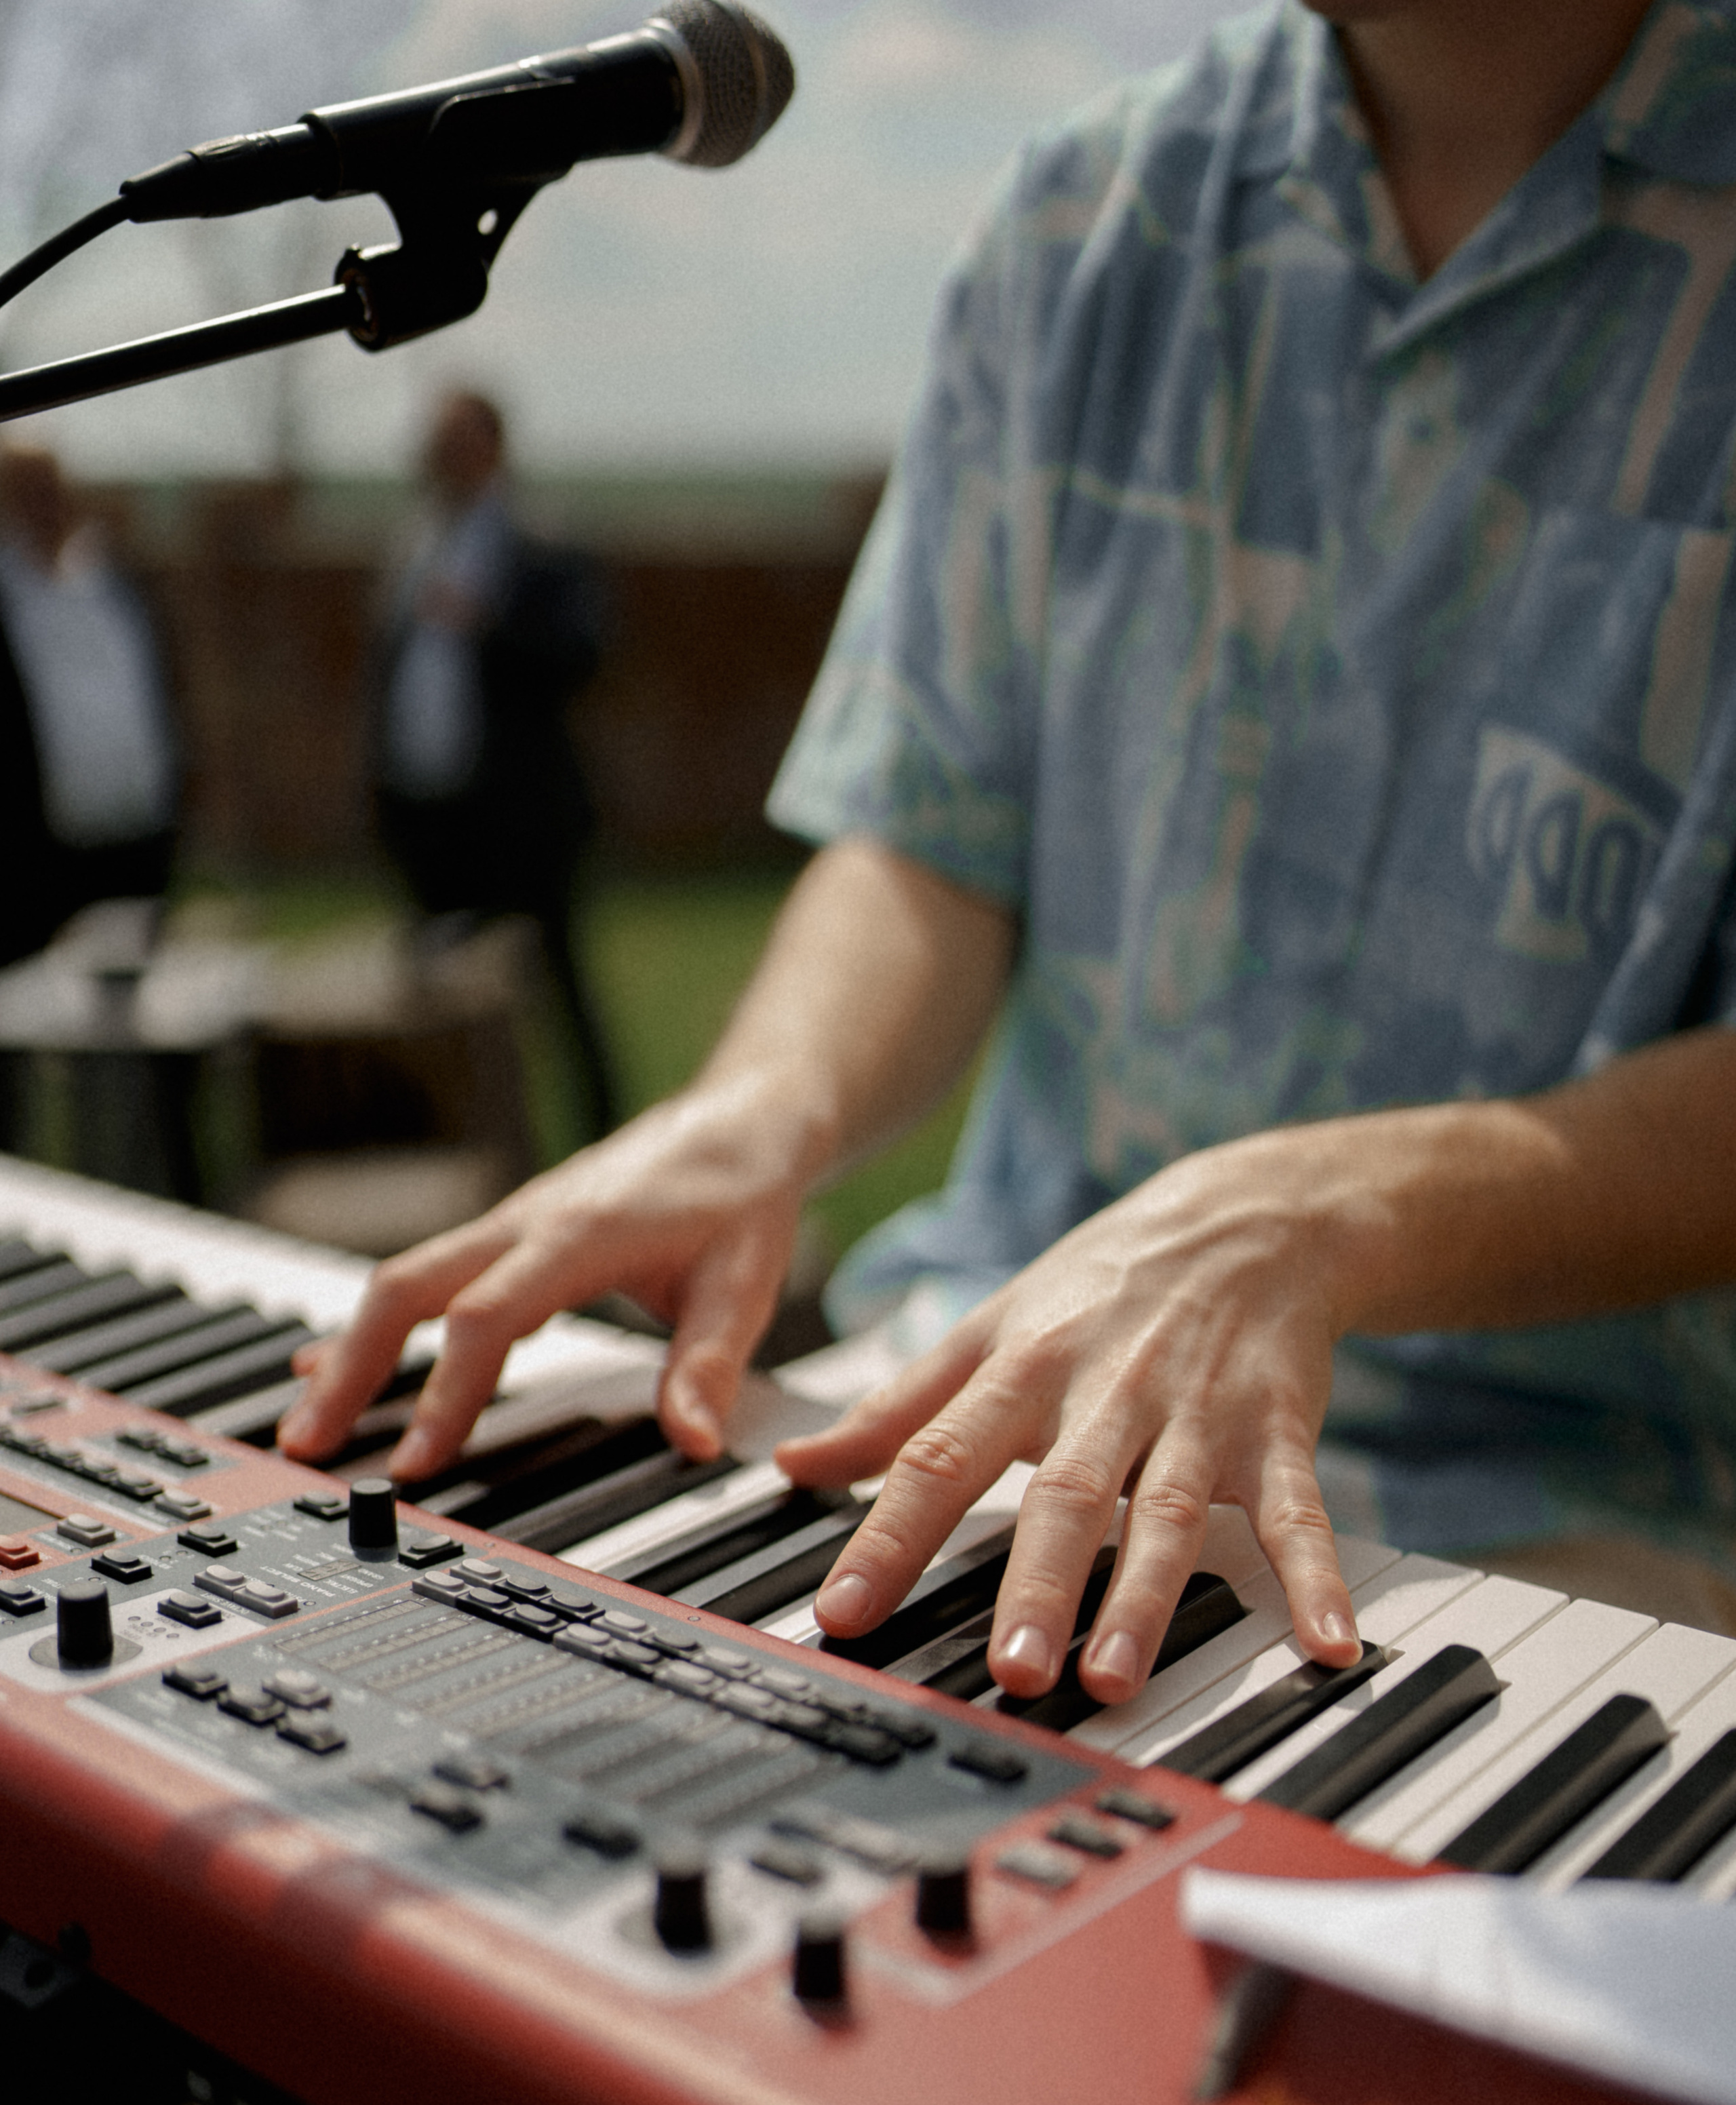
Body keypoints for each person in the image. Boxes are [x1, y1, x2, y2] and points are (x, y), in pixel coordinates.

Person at [285, 0, 1736, 1714]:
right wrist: (767, 1105)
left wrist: (1322, 1214)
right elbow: (930, 839)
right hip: (993, 1388)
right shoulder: (1083, 217)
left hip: (1577, 1532)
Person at [372, 387, 618, 1139]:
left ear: (492, 448)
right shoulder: (415, 545)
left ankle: (601, 1143)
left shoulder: (537, 542)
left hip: (522, 817)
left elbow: (584, 652)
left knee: (559, 1001)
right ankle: (466, 1158)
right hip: (430, 815)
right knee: (441, 1008)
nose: (436, 458)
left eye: (453, 442)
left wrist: (487, 625)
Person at [0, 441, 179, 968]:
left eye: (50, 488)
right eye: (25, 491)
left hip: (138, 837)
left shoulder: (114, 580)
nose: (43, 504)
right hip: (37, 853)